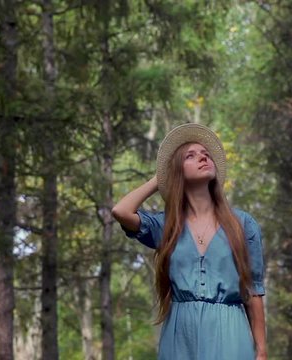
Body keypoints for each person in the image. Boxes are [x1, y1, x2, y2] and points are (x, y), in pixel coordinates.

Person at [112, 123, 267, 360]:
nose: (203, 158)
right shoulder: (166, 226)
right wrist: (159, 178)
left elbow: (253, 292)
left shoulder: (243, 224)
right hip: (180, 333)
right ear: (177, 171)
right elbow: (121, 211)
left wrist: (262, 350)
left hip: (229, 330)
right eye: (190, 156)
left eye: (206, 155)